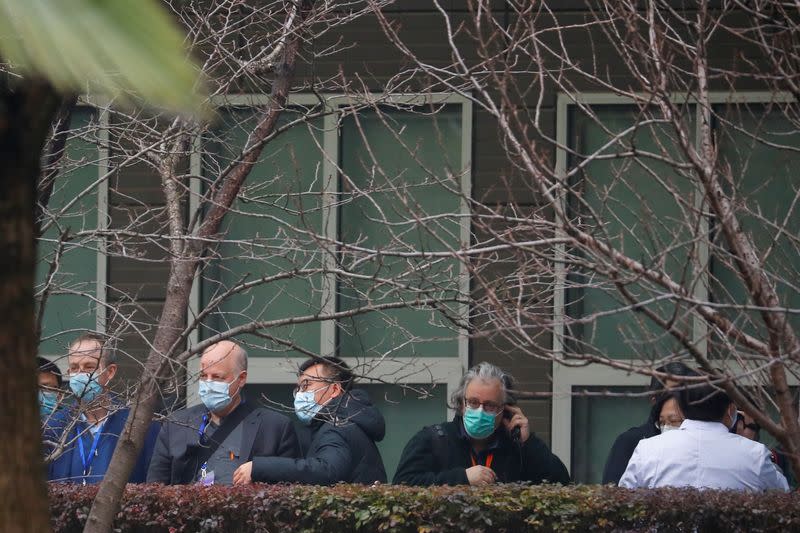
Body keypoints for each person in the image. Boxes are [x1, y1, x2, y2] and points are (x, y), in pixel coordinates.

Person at [147, 340, 300, 485]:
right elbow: (155, 486)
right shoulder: (176, 424)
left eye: (217, 377)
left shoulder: (274, 427)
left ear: (241, 379)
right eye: (203, 376)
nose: (209, 383)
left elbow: (289, 489)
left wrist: (260, 469)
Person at [392, 362, 570, 486]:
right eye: (474, 402)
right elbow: (402, 484)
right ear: (462, 403)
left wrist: (528, 442)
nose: (480, 411)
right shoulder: (432, 439)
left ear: (505, 409)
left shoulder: (517, 448)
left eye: (490, 405)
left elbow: (562, 483)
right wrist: (462, 478)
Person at [232, 356, 387, 485]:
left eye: (307, 385)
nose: (300, 394)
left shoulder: (337, 426)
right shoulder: (346, 419)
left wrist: (258, 468)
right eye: (298, 389)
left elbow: (326, 471)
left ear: (334, 390)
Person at [618, 382, 789, 491]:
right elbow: (783, 497)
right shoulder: (755, 454)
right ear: (731, 411)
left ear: (682, 410)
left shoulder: (647, 449)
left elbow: (624, 502)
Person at [48, 333, 159, 484]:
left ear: (110, 372)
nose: (80, 375)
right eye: (74, 368)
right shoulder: (55, 426)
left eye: (89, 367)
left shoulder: (137, 423)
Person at [601, 362, 694, 484]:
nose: (678, 400)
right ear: (654, 400)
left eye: (685, 394)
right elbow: (613, 494)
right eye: (671, 394)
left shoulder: (706, 439)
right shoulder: (631, 442)